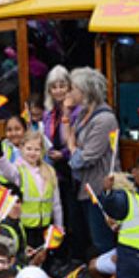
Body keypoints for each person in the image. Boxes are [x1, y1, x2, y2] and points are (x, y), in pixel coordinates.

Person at [64, 67, 120, 255]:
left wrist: (72, 149)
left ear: (85, 91)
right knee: (89, 236)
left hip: (100, 188)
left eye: (73, 88)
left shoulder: (105, 119)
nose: (69, 92)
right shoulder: (82, 114)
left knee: (102, 239)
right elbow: (70, 137)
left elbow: (86, 158)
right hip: (84, 187)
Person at [42, 65, 88, 264]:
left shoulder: (78, 111)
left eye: (63, 86)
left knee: (74, 214)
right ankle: (59, 252)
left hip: (73, 169)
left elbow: (75, 140)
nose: (59, 90)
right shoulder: (48, 113)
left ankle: (77, 255)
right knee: (58, 213)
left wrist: (64, 153)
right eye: (55, 87)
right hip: (54, 170)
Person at [0, 129, 63, 249]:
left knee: (43, 259)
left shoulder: (49, 171)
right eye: (29, 149)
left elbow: (56, 203)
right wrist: (0, 155)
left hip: (45, 227)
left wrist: (59, 226)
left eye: (37, 149)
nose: (33, 153)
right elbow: (7, 171)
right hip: (25, 227)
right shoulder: (18, 169)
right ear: (21, 148)